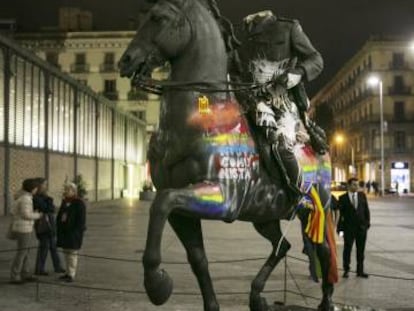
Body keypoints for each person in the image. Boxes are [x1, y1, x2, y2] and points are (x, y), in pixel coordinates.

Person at [232, 10, 327, 202]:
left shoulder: (288, 28)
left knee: (281, 144)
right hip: (246, 101)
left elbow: (316, 60)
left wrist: (298, 72)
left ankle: (300, 194)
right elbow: (233, 72)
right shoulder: (239, 35)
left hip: (280, 101)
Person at [9, 179, 42, 284]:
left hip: (22, 227)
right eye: (36, 188)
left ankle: (26, 273)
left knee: (25, 251)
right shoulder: (26, 199)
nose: (37, 190)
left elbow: (16, 211)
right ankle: (15, 275)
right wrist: (38, 215)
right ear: (32, 188)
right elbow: (26, 215)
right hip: (24, 228)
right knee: (22, 252)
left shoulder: (22, 197)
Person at [337, 178, 370, 278]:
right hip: (348, 229)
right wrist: (340, 229)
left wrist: (367, 224)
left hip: (361, 229)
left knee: (361, 251)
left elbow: (366, 211)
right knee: (347, 250)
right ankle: (346, 269)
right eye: (354, 185)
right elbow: (341, 215)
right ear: (349, 186)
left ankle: (360, 271)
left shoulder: (362, 196)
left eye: (357, 185)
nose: (356, 187)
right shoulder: (342, 198)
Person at [33, 178, 65, 276]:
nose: (46, 186)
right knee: (44, 247)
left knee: (53, 247)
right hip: (43, 225)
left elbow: (52, 208)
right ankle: (39, 269)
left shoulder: (45, 196)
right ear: (39, 186)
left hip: (50, 223)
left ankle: (58, 267)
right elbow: (46, 208)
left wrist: (49, 203)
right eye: (44, 184)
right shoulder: (36, 197)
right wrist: (49, 202)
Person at [56, 183, 87, 282]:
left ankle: (71, 274)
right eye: (65, 190)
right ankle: (67, 272)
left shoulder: (79, 203)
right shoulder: (65, 202)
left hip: (74, 233)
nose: (65, 192)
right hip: (64, 232)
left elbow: (81, 220)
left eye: (67, 190)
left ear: (74, 191)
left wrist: (76, 231)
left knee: (72, 254)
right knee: (66, 253)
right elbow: (60, 215)